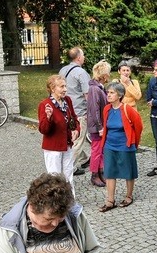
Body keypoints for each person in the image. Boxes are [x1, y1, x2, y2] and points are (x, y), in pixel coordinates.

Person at [98, 81, 143, 212]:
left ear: (120, 95)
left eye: (112, 93)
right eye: (108, 92)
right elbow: (106, 126)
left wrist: (134, 143)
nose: (108, 95)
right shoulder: (107, 109)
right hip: (109, 145)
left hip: (125, 145)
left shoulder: (127, 109)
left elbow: (139, 126)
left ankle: (129, 196)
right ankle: (110, 201)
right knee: (109, 172)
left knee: (128, 172)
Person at [38, 75, 79, 191]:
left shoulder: (67, 100)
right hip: (53, 148)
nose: (65, 89)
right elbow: (43, 130)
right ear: (52, 88)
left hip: (67, 145)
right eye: (61, 87)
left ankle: (70, 200)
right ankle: (56, 201)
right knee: (54, 179)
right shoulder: (45, 105)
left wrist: (76, 130)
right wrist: (48, 118)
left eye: (65, 86)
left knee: (68, 176)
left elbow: (74, 118)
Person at [59, 47, 91, 176]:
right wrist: (91, 112)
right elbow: (87, 94)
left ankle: (85, 159)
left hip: (65, 110)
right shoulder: (81, 73)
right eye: (83, 55)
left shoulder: (63, 70)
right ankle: (69, 168)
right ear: (78, 58)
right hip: (79, 111)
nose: (84, 57)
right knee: (78, 140)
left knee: (72, 138)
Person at [87, 61, 110, 188]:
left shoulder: (99, 87)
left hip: (101, 125)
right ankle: (94, 174)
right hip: (96, 126)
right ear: (104, 74)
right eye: (108, 73)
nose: (109, 75)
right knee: (96, 150)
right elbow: (94, 109)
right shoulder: (94, 89)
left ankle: (100, 171)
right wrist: (100, 127)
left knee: (101, 150)